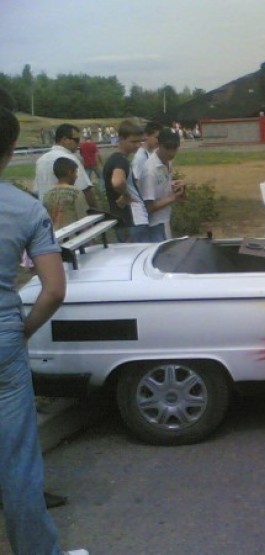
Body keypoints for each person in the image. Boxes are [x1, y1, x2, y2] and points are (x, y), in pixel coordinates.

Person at [0, 87, 88, 555]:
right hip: (2, 339)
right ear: (11, 149)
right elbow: (53, 289)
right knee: (17, 460)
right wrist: (22, 330)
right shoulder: (25, 208)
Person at [34, 123, 97, 210]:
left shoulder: (40, 160)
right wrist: (97, 211)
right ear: (65, 139)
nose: (78, 143)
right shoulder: (70, 159)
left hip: (46, 212)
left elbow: (37, 190)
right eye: (76, 140)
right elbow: (85, 190)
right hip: (67, 213)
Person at [103, 120, 147, 242]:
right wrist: (126, 194)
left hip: (123, 219)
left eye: (140, 141)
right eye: (133, 141)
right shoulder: (120, 160)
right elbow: (117, 182)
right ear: (121, 139)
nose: (137, 145)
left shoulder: (114, 159)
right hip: (131, 219)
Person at [140, 128, 186, 242]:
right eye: (168, 148)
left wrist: (175, 185)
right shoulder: (150, 171)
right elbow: (149, 207)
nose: (171, 153)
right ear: (159, 145)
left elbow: (161, 183)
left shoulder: (167, 161)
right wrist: (173, 197)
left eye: (174, 148)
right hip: (155, 224)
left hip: (165, 218)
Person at [43, 157, 89, 229]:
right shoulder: (76, 192)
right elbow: (83, 219)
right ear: (70, 172)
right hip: (72, 233)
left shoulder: (47, 194)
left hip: (55, 234)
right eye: (76, 172)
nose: (77, 176)